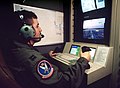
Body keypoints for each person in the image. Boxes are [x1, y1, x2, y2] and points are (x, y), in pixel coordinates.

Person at [3, 10, 90, 88]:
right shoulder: (33, 60)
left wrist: (46, 56)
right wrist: (83, 60)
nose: (40, 29)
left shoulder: (16, 48)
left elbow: (30, 61)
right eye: (37, 26)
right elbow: (65, 82)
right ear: (26, 31)